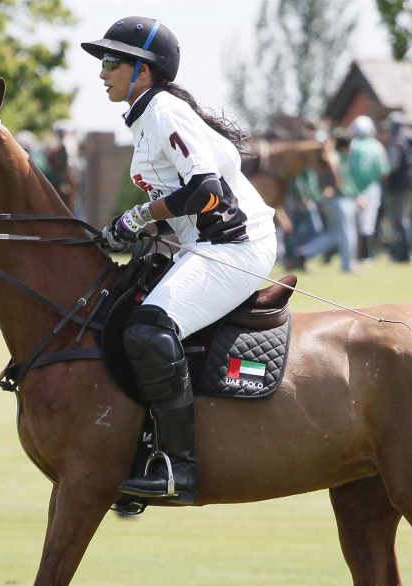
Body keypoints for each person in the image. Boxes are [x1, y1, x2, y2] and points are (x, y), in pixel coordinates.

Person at [82, 16, 277, 505]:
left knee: (148, 330)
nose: (101, 72)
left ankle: (180, 470)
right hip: (201, 245)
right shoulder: (147, 116)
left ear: (143, 71)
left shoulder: (164, 111)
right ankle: (137, 453)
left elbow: (206, 193)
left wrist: (140, 214)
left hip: (235, 247)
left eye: (112, 62)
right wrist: (134, 231)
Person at [296, 129, 358, 273]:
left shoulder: (327, 156)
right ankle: (348, 265)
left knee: (334, 234)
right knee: (347, 232)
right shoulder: (333, 156)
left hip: (333, 200)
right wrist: (335, 187)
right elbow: (338, 180)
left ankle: (305, 253)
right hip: (339, 199)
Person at [347, 116, 390, 265]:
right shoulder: (378, 146)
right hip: (372, 188)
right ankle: (366, 255)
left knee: (352, 223)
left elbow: (345, 170)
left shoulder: (352, 146)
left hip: (352, 188)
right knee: (368, 224)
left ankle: (352, 255)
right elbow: (384, 171)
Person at [382, 111, 412, 263]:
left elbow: (392, 165)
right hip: (409, 184)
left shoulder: (396, 141)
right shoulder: (409, 140)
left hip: (397, 185)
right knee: (405, 219)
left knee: (399, 220)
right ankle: (407, 253)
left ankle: (404, 254)